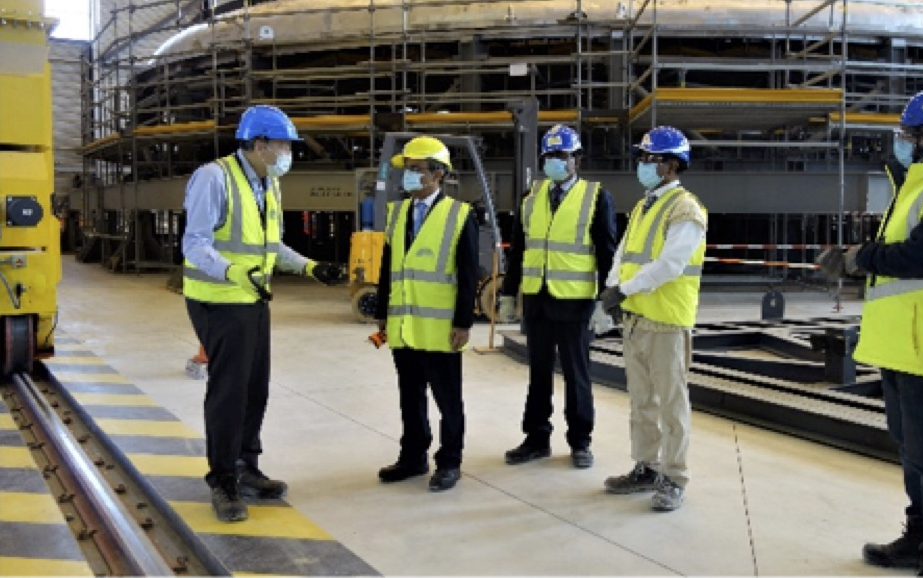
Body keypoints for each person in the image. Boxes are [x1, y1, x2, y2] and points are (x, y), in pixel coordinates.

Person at [817, 88, 923, 577]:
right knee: (911, 446)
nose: (901, 142)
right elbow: (896, 249)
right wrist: (859, 258)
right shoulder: (917, 183)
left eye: (908, 135)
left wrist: (858, 260)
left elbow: (922, 257)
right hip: (900, 339)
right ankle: (918, 537)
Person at [182, 104, 348, 522]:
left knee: (256, 387)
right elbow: (195, 243)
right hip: (217, 300)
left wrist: (310, 267)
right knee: (229, 392)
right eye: (283, 146)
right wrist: (235, 272)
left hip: (253, 298)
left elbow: (270, 248)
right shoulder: (214, 177)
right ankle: (222, 480)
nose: (288, 154)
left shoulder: (267, 185)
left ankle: (246, 466)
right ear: (259, 144)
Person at [599, 126, 707, 512]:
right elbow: (623, 254)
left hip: (666, 321)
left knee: (672, 404)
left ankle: (674, 476)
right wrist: (612, 289)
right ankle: (646, 466)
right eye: (641, 158)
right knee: (642, 401)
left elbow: (670, 265)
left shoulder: (686, 210)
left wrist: (624, 291)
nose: (642, 165)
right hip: (636, 318)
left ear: (672, 165)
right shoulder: (645, 206)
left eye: (649, 158)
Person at [497, 124, 618, 469]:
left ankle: (580, 441)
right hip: (537, 301)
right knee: (537, 375)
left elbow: (607, 254)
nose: (554, 162)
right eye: (549, 156)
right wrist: (508, 293)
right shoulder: (530, 198)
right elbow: (519, 251)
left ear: (576, 159)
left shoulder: (596, 197)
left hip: (575, 303)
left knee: (577, 375)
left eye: (561, 156)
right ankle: (536, 438)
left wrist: (605, 302)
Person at [373, 136, 479, 492]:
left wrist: (464, 322)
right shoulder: (397, 213)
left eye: (416, 169)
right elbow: (389, 266)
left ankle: (450, 462)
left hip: (441, 329)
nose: (409, 176)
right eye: (407, 169)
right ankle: (413, 457)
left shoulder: (460, 215)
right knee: (410, 396)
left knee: (448, 400)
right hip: (404, 326)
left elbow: (467, 274)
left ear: (437, 174)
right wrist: (383, 311)